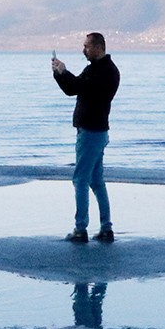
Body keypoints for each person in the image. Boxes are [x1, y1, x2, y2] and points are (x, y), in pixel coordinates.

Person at [51, 32, 120, 243]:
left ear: (99, 47)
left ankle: (81, 229)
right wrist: (59, 73)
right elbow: (72, 89)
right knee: (96, 180)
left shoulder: (106, 71)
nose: (84, 50)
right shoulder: (95, 69)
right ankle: (106, 227)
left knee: (80, 179)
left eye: (87, 46)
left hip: (92, 132)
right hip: (93, 131)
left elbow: (83, 88)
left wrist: (64, 72)